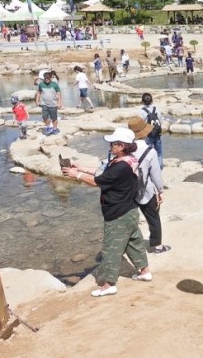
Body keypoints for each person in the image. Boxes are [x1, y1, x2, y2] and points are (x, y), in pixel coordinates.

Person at [62, 129, 152, 297]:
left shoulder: (121, 166)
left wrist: (77, 174)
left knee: (111, 249)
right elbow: (105, 172)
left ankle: (109, 284)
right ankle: (144, 271)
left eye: (113, 144)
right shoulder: (128, 160)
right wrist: (82, 168)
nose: (110, 146)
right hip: (130, 211)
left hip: (118, 214)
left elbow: (99, 181)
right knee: (133, 242)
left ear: (122, 146)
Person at [127, 117, 170, 254]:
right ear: (145, 132)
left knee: (129, 220)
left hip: (128, 191)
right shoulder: (150, 151)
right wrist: (160, 190)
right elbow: (155, 175)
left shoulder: (125, 149)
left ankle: (127, 246)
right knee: (153, 217)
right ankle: (157, 246)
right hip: (145, 190)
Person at [139, 93, 163, 170]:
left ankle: (151, 168)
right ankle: (160, 167)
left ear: (142, 101)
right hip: (157, 133)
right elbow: (160, 119)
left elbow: (140, 123)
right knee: (159, 152)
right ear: (152, 100)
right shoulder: (156, 109)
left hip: (148, 134)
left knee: (148, 152)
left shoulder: (141, 111)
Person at [35, 70, 63, 135]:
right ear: (44, 78)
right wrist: (37, 101)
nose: (47, 80)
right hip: (44, 104)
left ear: (50, 78)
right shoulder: (41, 84)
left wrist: (59, 103)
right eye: (45, 78)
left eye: (48, 78)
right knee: (44, 117)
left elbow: (59, 94)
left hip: (53, 104)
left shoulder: (55, 85)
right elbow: (39, 93)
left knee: (54, 118)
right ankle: (48, 127)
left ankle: (55, 129)